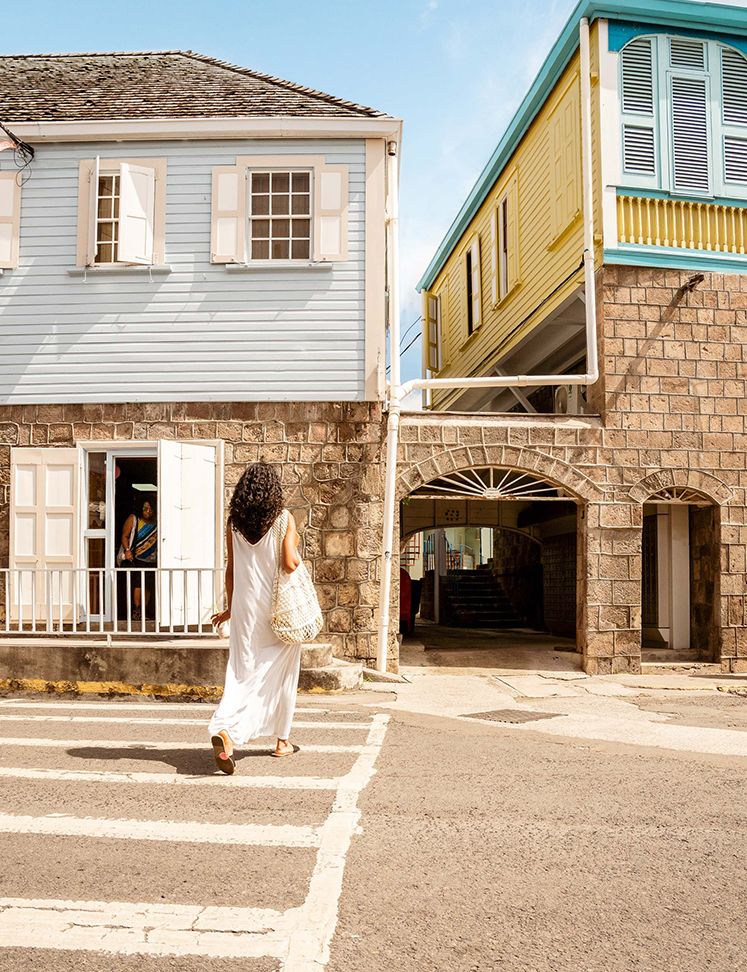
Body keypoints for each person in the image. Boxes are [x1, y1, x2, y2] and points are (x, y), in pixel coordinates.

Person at [209, 462, 302, 773]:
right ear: (272, 490)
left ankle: (226, 732)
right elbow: (290, 564)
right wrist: (297, 541)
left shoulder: (233, 524)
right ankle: (281, 741)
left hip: (245, 609)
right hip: (276, 609)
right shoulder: (283, 519)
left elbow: (231, 572)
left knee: (241, 672)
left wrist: (229, 610)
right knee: (284, 672)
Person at [121, 496, 157, 622]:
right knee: (138, 585)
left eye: (150, 509)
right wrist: (127, 550)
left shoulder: (157, 522)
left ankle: (144, 611)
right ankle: (136, 612)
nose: (148, 512)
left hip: (152, 560)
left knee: (148, 586)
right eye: (145, 509)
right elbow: (125, 536)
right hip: (137, 558)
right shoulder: (134, 519)